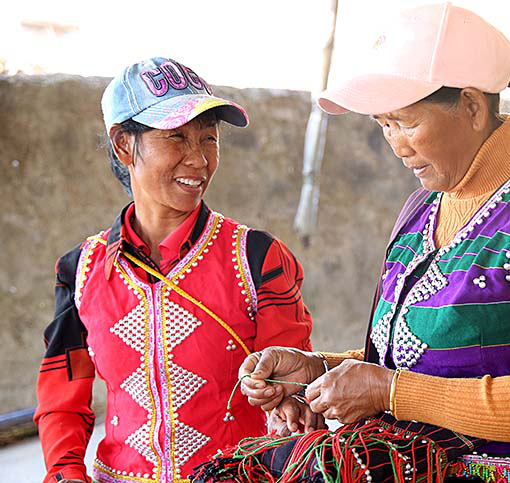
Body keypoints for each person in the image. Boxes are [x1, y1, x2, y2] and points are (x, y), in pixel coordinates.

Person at [234, 4, 510, 483]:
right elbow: (415, 362)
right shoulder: (422, 208)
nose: (396, 145)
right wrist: (318, 370)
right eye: (384, 124)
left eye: (406, 122)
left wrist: (385, 391)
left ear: (472, 107)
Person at [34, 57, 314, 483]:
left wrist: (289, 402)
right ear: (123, 145)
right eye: (177, 137)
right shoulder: (81, 270)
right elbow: (62, 398)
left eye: (208, 139)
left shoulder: (258, 259)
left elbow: (295, 382)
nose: (199, 160)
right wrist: (65, 472)